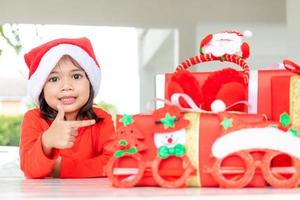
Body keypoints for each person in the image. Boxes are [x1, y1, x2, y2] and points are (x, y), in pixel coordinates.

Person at [20, 37, 115, 178]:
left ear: (90, 82)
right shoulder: (33, 119)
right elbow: (29, 169)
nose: (66, 86)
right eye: (54, 79)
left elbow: (114, 163)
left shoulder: (102, 119)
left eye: (76, 76)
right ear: (41, 88)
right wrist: (46, 141)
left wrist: (62, 168)